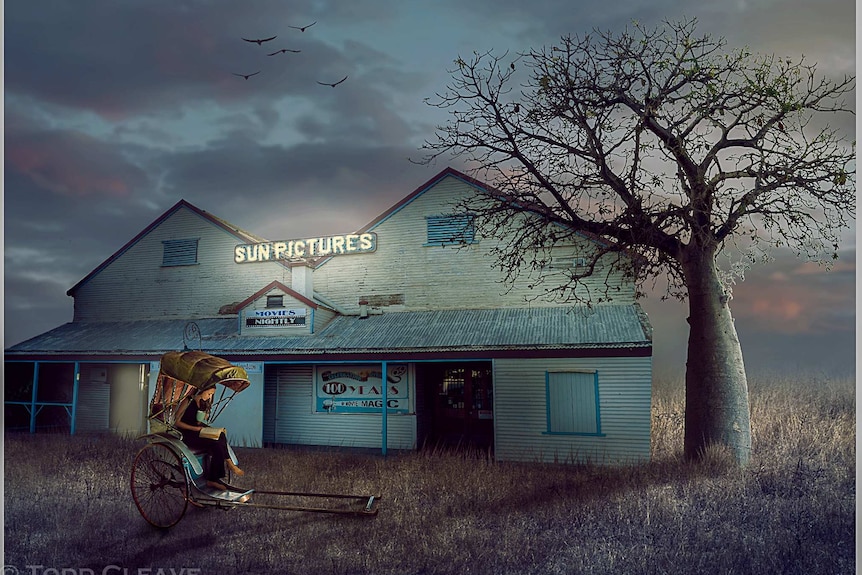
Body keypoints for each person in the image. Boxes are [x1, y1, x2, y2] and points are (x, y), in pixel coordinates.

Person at [175, 386, 244, 490]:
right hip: (188, 433)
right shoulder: (188, 401)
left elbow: (199, 421)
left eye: (212, 394)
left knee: (220, 435)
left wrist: (205, 409)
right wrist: (195, 428)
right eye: (209, 394)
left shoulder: (203, 403)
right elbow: (177, 422)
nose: (210, 396)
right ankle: (214, 477)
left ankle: (227, 464)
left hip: (199, 430)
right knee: (215, 444)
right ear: (201, 391)